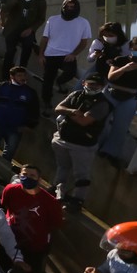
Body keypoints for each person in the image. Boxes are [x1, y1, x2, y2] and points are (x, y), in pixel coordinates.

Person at [0, 165, 63, 273]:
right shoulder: (10, 190)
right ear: (19, 175)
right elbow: (5, 207)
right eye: (25, 174)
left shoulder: (50, 202)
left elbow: (55, 223)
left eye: (32, 175)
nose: (28, 177)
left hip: (34, 248)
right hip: (10, 242)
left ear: (39, 179)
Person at [51, 73, 112, 212]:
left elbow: (84, 121)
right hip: (62, 139)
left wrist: (66, 114)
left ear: (102, 87)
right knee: (62, 167)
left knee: (82, 175)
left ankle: (77, 200)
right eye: (90, 83)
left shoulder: (102, 103)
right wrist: (72, 111)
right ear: (84, 83)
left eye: (97, 85)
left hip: (83, 145)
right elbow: (58, 108)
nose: (93, 87)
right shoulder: (76, 94)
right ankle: (57, 190)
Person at [38, 0, 92, 114]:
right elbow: (44, 38)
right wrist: (41, 55)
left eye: (72, 7)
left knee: (70, 73)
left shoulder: (83, 22)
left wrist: (74, 54)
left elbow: (83, 43)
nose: (69, 9)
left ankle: (60, 82)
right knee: (47, 80)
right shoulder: (52, 20)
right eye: (67, 6)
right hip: (51, 54)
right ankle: (47, 104)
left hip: (68, 55)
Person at [0, 66, 39, 162]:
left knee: (9, 153)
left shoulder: (30, 93)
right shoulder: (1, 87)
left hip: (15, 128)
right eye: (19, 75)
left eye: (24, 75)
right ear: (12, 76)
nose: (23, 78)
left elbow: (34, 111)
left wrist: (29, 126)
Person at [99, 35, 137, 166]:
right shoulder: (120, 60)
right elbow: (111, 77)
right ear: (131, 48)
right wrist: (125, 68)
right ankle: (95, 145)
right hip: (111, 93)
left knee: (121, 127)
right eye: (136, 49)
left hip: (129, 97)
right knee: (101, 121)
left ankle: (110, 152)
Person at [1, 0, 47, 75]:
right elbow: (5, 9)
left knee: (28, 46)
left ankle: (21, 70)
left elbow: (41, 18)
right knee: (10, 52)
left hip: (27, 30)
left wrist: (31, 29)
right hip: (12, 30)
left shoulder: (40, 2)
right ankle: (5, 75)